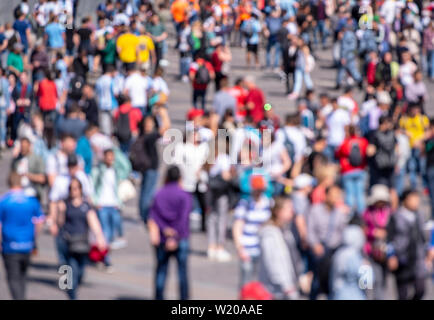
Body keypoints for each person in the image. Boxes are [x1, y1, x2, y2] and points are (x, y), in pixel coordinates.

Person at [57, 178, 106, 300]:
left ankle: (70, 287)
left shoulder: (85, 206)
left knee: (80, 273)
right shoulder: (65, 204)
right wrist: (61, 212)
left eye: (76, 188)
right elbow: (59, 223)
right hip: (68, 243)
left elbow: (93, 222)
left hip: (82, 244)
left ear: (80, 190)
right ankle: (71, 294)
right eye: (71, 189)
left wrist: (100, 238)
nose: (73, 191)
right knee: (70, 272)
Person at [148, 166, 193, 300]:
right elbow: (183, 218)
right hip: (181, 238)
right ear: (180, 178)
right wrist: (175, 236)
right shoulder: (184, 195)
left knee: (161, 272)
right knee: (182, 274)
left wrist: (164, 230)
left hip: (162, 238)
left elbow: (153, 215)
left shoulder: (159, 194)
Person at [0, 172, 44, 300]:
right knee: (23, 276)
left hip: (10, 246)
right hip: (27, 245)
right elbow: (39, 222)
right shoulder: (31, 201)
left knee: (13, 278)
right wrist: (33, 238)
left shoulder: (4, 201)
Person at [387, 190, 432, 300]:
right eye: (413, 199)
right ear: (406, 200)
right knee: (402, 294)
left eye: (417, 199)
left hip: (418, 258)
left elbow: (426, 235)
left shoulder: (420, 216)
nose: (416, 202)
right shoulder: (396, 216)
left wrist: (430, 250)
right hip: (402, 258)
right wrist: (391, 255)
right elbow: (389, 238)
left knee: (421, 289)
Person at [258, 197, 302, 300]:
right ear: (278, 212)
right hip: (276, 290)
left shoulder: (286, 230)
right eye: (288, 208)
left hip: (287, 286)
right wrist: (286, 286)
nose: (292, 211)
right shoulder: (269, 235)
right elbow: (273, 263)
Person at [308, 185, 347, 299]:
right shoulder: (315, 210)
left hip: (334, 249)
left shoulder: (339, 213)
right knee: (317, 279)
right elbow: (310, 230)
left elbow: (342, 232)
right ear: (326, 195)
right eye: (333, 195)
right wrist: (315, 245)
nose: (335, 198)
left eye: (337, 196)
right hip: (319, 247)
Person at [233, 175, 272, 287]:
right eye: (257, 189)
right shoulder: (244, 204)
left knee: (261, 283)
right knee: (246, 282)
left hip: (262, 248)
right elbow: (237, 226)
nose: (259, 192)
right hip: (247, 248)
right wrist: (240, 248)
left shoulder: (268, 203)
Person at [362, 184, 392, 300]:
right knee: (367, 281)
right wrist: (373, 232)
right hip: (369, 250)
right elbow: (363, 229)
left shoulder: (389, 212)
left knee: (382, 279)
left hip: (385, 251)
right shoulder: (367, 212)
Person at [335, 124, 369, 215]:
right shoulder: (363, 141)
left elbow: (338, 153)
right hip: (360, 170)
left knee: (349, 194)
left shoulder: (345, 142)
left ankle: (349, 214)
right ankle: (362, 214)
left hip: (347, 170)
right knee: (360, 194)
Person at [329, 225, 367, 300]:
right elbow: (365, 282)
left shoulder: (338, 253)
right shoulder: (353, 255)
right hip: (353, 295)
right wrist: (366, 267)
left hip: (337, 294)